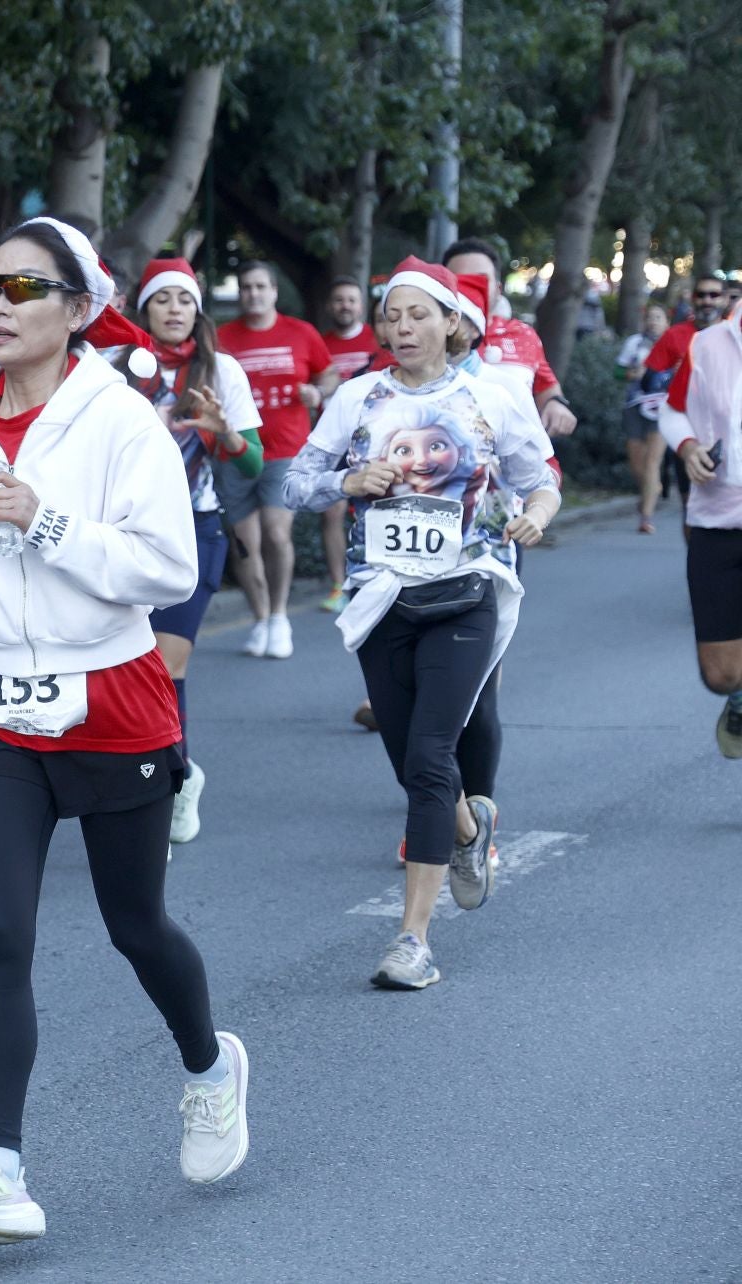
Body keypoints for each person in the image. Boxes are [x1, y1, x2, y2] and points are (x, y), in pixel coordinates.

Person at [0, 219, 249, 1244]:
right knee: (1, 933)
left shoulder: (122, 422)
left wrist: (46, 521)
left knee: (133, 924)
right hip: (1, 700)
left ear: (77, 309)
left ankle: (209, 1063)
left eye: (22, 286)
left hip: (109, 696)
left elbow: (168, 572)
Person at [284, 258, 560, 990]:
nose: (401, 328)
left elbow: (542, 481)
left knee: (433, 755)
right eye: (391, 316)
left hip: (467, 591)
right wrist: (347, 481)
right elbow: (294, 481)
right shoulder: (357, 400)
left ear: (452, 322)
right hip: (381, 601)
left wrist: (532, 515)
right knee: (414, 761)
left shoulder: (492, 398)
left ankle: (413, 941)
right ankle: (471, 827)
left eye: (417, 315)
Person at [119, 258, 263, 847]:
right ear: (145, 311)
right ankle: (175, 770)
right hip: (124, 535)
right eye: (162, 300)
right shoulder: (109, 368)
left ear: (197, 310)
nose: (175, 309)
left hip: (194, 531)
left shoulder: (220, 370)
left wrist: (223, 432)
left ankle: (168, 786)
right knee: (128, 669)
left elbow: (252, 462)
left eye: (184, 299)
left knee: (164, 664)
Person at [215, 260, 340, 658]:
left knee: (275, 531)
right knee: (245, 541)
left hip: (286, 450)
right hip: (234, 452)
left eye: (260, 286)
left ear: (273, 292)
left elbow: (329, 373)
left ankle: (281, 617)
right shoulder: (222, 338)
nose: (253, 293)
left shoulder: (300, 333)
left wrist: (317, 394)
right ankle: (260, 617)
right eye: (246, 287)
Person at [655, 303, 742, 758]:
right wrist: (688, 448)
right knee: (721, 674)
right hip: (717, 521)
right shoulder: (708, 343)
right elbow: (672, 412)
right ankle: (739, 697)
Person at [442, 238, 578, 440]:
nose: (472, 288)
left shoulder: (523, 335)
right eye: (460, 280)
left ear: (497, 288)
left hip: (514, 456)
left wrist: (556, 405)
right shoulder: (426, 335)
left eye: (481, 279)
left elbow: (547, 389)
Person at [320, 277, 384, 611]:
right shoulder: (320, 343)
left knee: (374, 508)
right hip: (336, 440)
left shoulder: (378, 339)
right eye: (339, 300)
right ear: (331, 306)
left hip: (376, 440)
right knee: (332, 513)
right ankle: (337, 585)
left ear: (361, 306)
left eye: (351, 300)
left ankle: (374, 576)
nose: (345, 306)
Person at [646, 275, 729, 526]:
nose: (707, 300)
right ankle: (698, 557)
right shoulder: (675, 335)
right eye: (701, 295)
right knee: (690, 504)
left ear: (724, 300)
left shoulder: (734, 337)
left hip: (726, 429)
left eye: (714, 295)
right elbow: (648, 380)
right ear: (693, 299)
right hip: (687, 427)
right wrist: (675, 373)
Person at [617, 302, 671, 533]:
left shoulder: (675, 343)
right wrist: (631, 373)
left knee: (652, 461)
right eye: (650, 317)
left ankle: (646, 517)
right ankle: (652, 487)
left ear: (666, 321)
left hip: (665, 407)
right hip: (635, 404)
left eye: (658, 317)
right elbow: (617, 371)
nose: (653, 321)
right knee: (637, 462)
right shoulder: (634, 343)